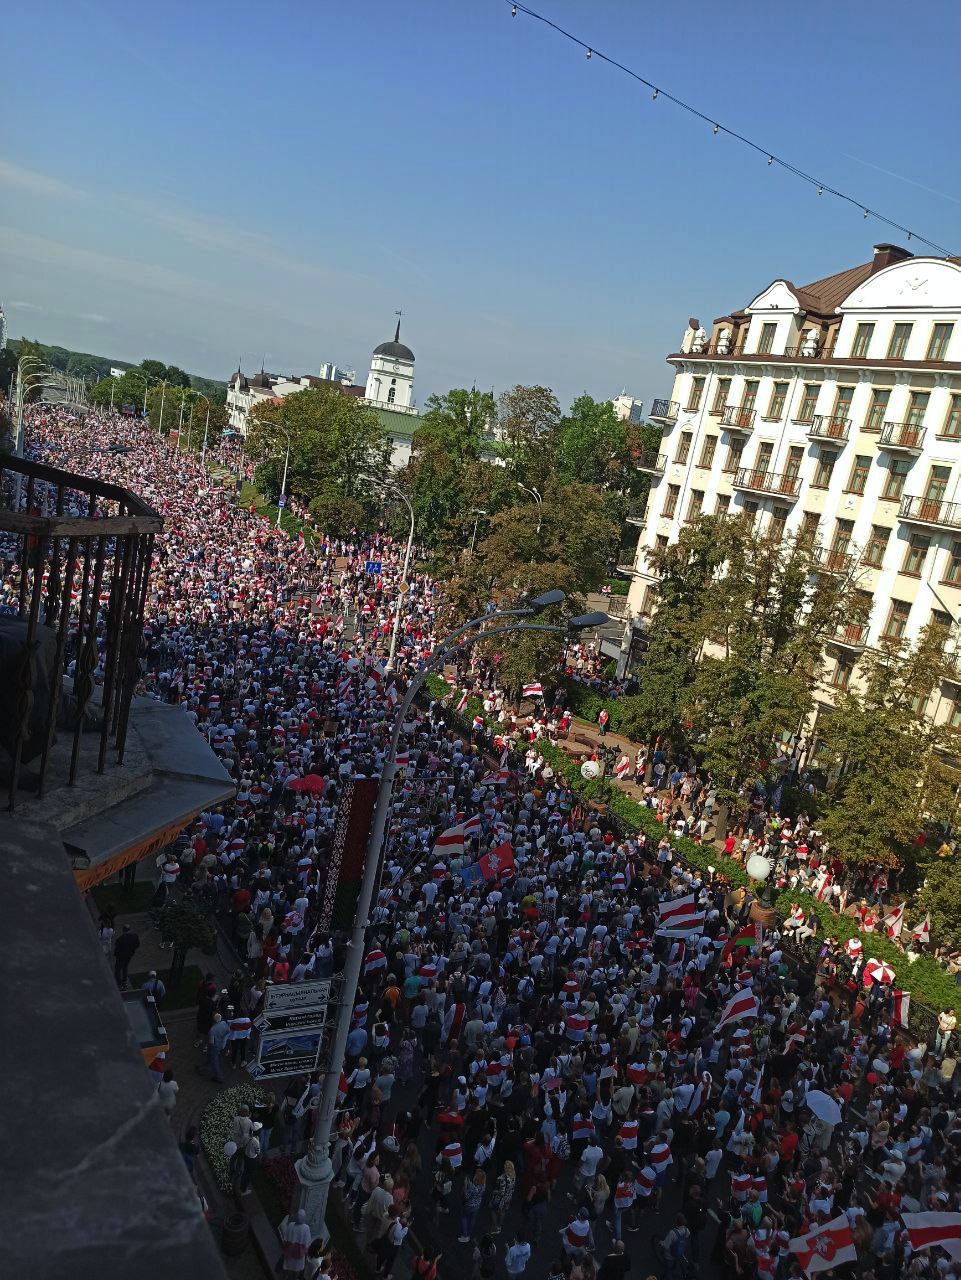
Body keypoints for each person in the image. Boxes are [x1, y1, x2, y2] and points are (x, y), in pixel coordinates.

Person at [278, 1210, 312, 1274]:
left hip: (289, 1254)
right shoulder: (306, 1228)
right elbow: (307, 1244)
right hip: (298, 1258)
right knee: (294, 1273)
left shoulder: (291, 1225)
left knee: (286, 1271)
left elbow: (285, 1239)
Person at [113, 924, 140, 988]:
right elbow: (137, 945)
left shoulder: (120, 939)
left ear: (123, 930)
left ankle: (119, 984)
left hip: (120, 956)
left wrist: (116, 954)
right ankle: (124, 982)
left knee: (118, 969)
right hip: (129, 955)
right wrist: (132, 950)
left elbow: (117, 949)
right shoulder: (135, 936)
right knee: (125, 967)